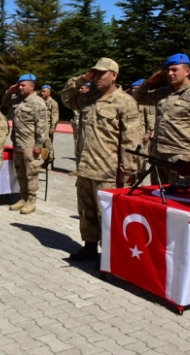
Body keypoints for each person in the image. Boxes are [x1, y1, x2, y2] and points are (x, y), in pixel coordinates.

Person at [62, 57, 141, 261]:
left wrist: (128, 171)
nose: (96, 77)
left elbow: (131, 142)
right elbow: (67, 97)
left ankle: (109, 256)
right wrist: (81, 79)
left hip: (108, 171)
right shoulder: (89, 98)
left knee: (106, 216)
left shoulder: (125, 102)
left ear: (114, 76)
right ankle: (89, 247)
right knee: (86, 212)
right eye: (94, 73)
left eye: (101, 73)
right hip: (86, 167)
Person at [130, 53, 190, 184]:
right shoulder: (162, 92)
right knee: (156, 196)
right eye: (168, 70)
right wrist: (148, 82)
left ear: (187, 71)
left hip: (181, 156)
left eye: (174, 69)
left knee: (178, 197)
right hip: (158, 154)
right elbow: (135, 99)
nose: (170, 73)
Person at [2, 74, 48, 214]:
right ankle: (23, 197)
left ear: (32, 86)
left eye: (23, 85)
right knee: (20, 172)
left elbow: (42, 126)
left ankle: (31, 201)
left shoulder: (38, 102)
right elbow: (5, 103)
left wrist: (39, 145)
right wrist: (10, 91)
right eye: (19, 85)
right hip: (17, 142)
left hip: (30, 144)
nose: (20, 88)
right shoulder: (17, 101)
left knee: (31, 173)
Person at [126, 79, 155, 181]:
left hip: (141, 135)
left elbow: (150, 120)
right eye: (133, 89)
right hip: (130, 134)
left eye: (136, 89)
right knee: (130, 157)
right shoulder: (128, 101)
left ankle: (140, 178)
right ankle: (131, 177)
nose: (134, 91)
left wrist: (148, 133)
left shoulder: (146, 103)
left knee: (141, 158)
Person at [39, 84, 59, 168]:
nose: (42, 93)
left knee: (48, 145)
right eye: (41, 91)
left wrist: (52, 127)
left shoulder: (53, 103)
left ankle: (50, 161)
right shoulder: (41, 102)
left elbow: (55, 116)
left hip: (48, 126)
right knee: (43, 145)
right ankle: (45, 161)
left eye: (44, 91)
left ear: (49, 92)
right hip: (41, 126)